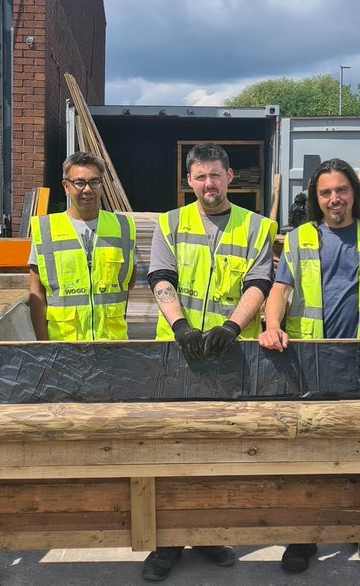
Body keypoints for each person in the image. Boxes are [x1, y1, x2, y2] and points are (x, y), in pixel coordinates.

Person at [258, 157, 360, 574]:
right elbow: (279, 290)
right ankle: (303, 536)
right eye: (325, 192)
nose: (334, 199)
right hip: (311, 363)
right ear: (315, 198)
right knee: (307, 453)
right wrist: (272, 326)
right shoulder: (300, 238)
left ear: (353, 194)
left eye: (341, 190)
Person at [142, 142, 278, 582]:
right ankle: (164, 543)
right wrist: (180, 326)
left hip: (231, 355)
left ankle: (211, 533)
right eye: (200, 177)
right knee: (170, 452)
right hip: (177, 355)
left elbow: (259, 281)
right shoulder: (170, 224)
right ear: (189, 182)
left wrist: (233, 327)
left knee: (223, 450)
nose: (209, 184)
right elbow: (161, 278)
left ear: (230, 177)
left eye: (215, 175)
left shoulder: (257, 227)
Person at [27, 152, 136, 340]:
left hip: (112, 345)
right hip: (64, 345)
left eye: (94, 182)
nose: (87, 190)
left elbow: (129, 282)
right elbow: (36, 292)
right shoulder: (46, 230)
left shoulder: (123, 227)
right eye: (79, 182)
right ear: (66, 187)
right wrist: (43, 346)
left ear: (102, 185)